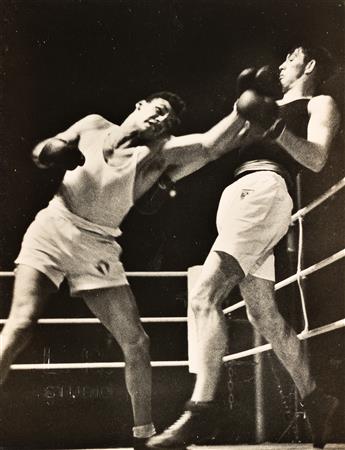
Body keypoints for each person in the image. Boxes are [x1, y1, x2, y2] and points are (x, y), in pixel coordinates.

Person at [0, 91, 251, 448]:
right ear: (140, 106)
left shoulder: (158, 153)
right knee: (20, 324)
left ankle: (143, 436)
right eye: (159, 111)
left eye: (168, 121)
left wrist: (243, 108)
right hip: (52, 229)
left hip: (98, 246)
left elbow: (210, 145)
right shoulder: (92, 124)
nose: (162, 121)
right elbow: (42, 151)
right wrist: (51, 149)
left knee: (136, 342)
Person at [148, 46, 341, 450]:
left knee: (204, 293)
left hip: (265, 192)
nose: (284, 63)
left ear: (311, 66)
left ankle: (200, 409)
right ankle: (317, 399)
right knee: (263, 315)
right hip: (241, 195)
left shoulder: (318, 102)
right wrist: (167, 181)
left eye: (293, 58)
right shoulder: (263, 106)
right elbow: (211, 148)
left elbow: (319, 158)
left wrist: (278, 131)